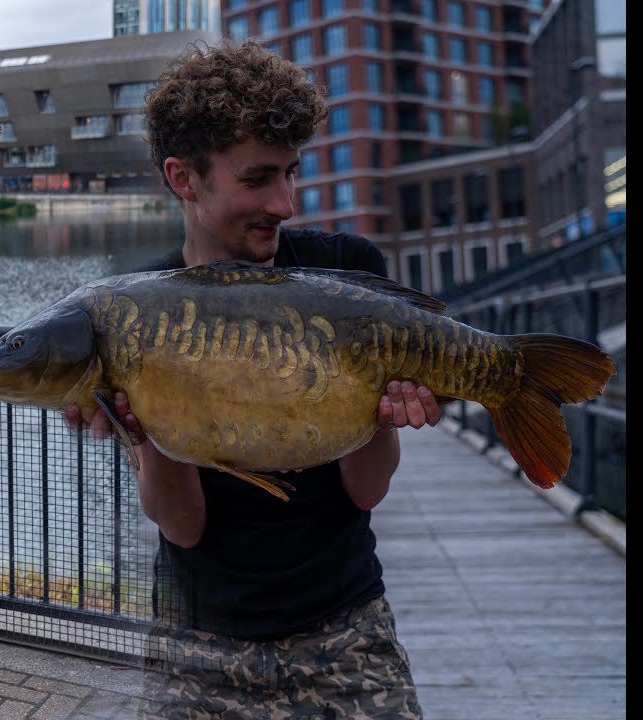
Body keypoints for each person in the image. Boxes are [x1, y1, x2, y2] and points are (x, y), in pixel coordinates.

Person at [65, 39, 439, 719]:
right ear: (185, 178)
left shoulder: (343, 271)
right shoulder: (133, 309)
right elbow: (182, 525)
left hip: (344, 629)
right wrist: (141, 427)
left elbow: (368, 486)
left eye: (292, 173)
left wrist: (382, 412)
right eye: (259, 178)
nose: (286, 203)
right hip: (200, 643)